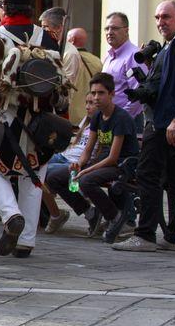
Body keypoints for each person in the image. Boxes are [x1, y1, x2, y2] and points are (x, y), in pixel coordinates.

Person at [0, 0, 67, 259]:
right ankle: (27, 239)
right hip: (41, 118)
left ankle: (9, 212)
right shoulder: (49, 38)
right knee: (34, 176)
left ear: (4, 5)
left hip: (4, 117)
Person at [114, 0, 175, 252]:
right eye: (157, 17)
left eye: (166, 17)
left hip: (166, 122)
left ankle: (145, 235)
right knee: (173, 179)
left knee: (148, 174)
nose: (160, 22)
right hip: (165, 120)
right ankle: (174, 234)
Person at [46, 73, 139, 243]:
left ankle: (118, 219)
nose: (96, 97)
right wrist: (79, 164)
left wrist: (87, 170)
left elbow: (113, 157)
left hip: (121, 165)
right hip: (100, 163)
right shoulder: (97, 116)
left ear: (112, 94)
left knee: (85, 180)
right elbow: (88, 149)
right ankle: (91, 213)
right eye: (93, 93)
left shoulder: (121, 118)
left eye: (101, 93)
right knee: (53, 177)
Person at [44, 92, 98, 234]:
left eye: (91, 103)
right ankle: (50, 213)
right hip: (64, 156)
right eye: (86, 103)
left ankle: (56, 214)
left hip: (76, 162)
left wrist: (81, 164)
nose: (87, 107)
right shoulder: (86, 121)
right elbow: (74, 142)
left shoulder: (102, 123)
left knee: (42, 174)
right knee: (33, 166)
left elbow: (93, 153)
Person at [101, 12, 147, 132]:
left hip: (126, 122)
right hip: (108, 119)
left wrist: (121, 119)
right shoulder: (109, 57)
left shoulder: (134, 56)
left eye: (115, 28)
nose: (109, 32)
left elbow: (139, 94)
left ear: (126, 30)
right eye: (107, 28)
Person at [40, 7, 85, 123]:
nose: (42, 31)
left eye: (45, 27)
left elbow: (65, 87)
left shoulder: (70, 53)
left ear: (59, 27)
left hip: (58, 109)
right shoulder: (45, 47)